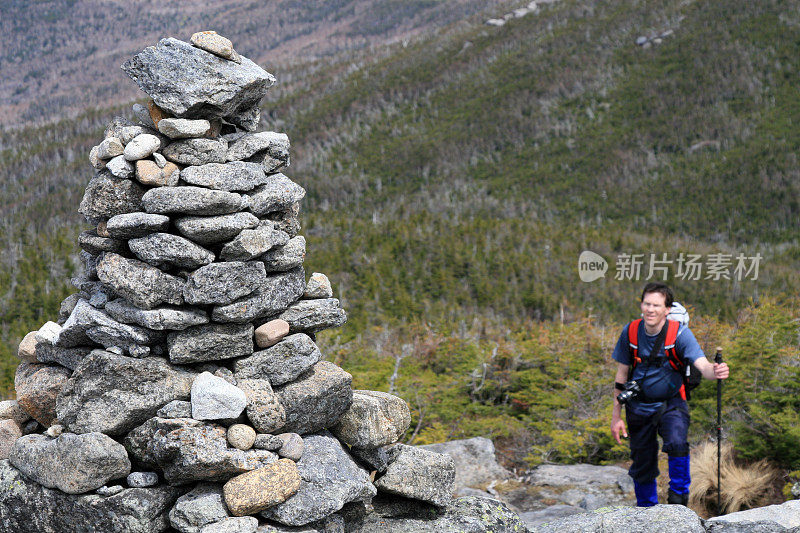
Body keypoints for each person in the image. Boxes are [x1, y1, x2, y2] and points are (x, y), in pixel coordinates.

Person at [610, 282, 729, 506]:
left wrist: (715, 371)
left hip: (671, 402)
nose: (650, 309)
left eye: (656, 305)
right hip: (638, 406)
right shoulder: (631, 332)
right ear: (641, 305)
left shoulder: (680, 334)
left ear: (667, 309)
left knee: (676, 444)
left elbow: (702, 366)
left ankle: (678, 504)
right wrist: (616, 417)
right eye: (647, 304)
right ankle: (646, 511)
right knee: (642, 463)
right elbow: (621, 375)